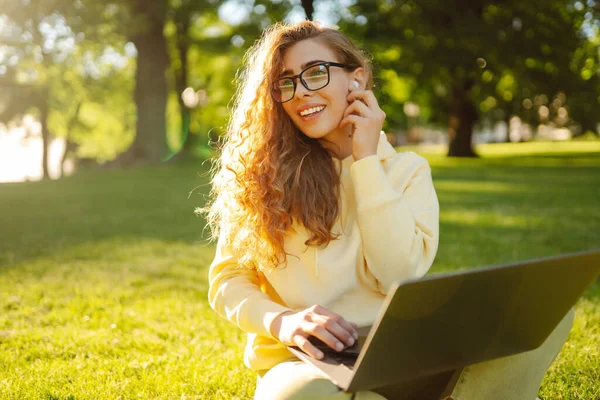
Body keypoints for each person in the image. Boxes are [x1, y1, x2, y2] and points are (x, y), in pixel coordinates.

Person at [201, 20, 574, 400]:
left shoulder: (407, 171)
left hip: (404, 356)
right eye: (286, 82)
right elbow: (228, 279)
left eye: (315, 73)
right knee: (304, 395)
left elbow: (398, 273)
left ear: (356, 79)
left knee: (545, 310)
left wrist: (366, 162)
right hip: (303, 365)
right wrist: (282, 322)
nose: (300, 92)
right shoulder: (260, 178)